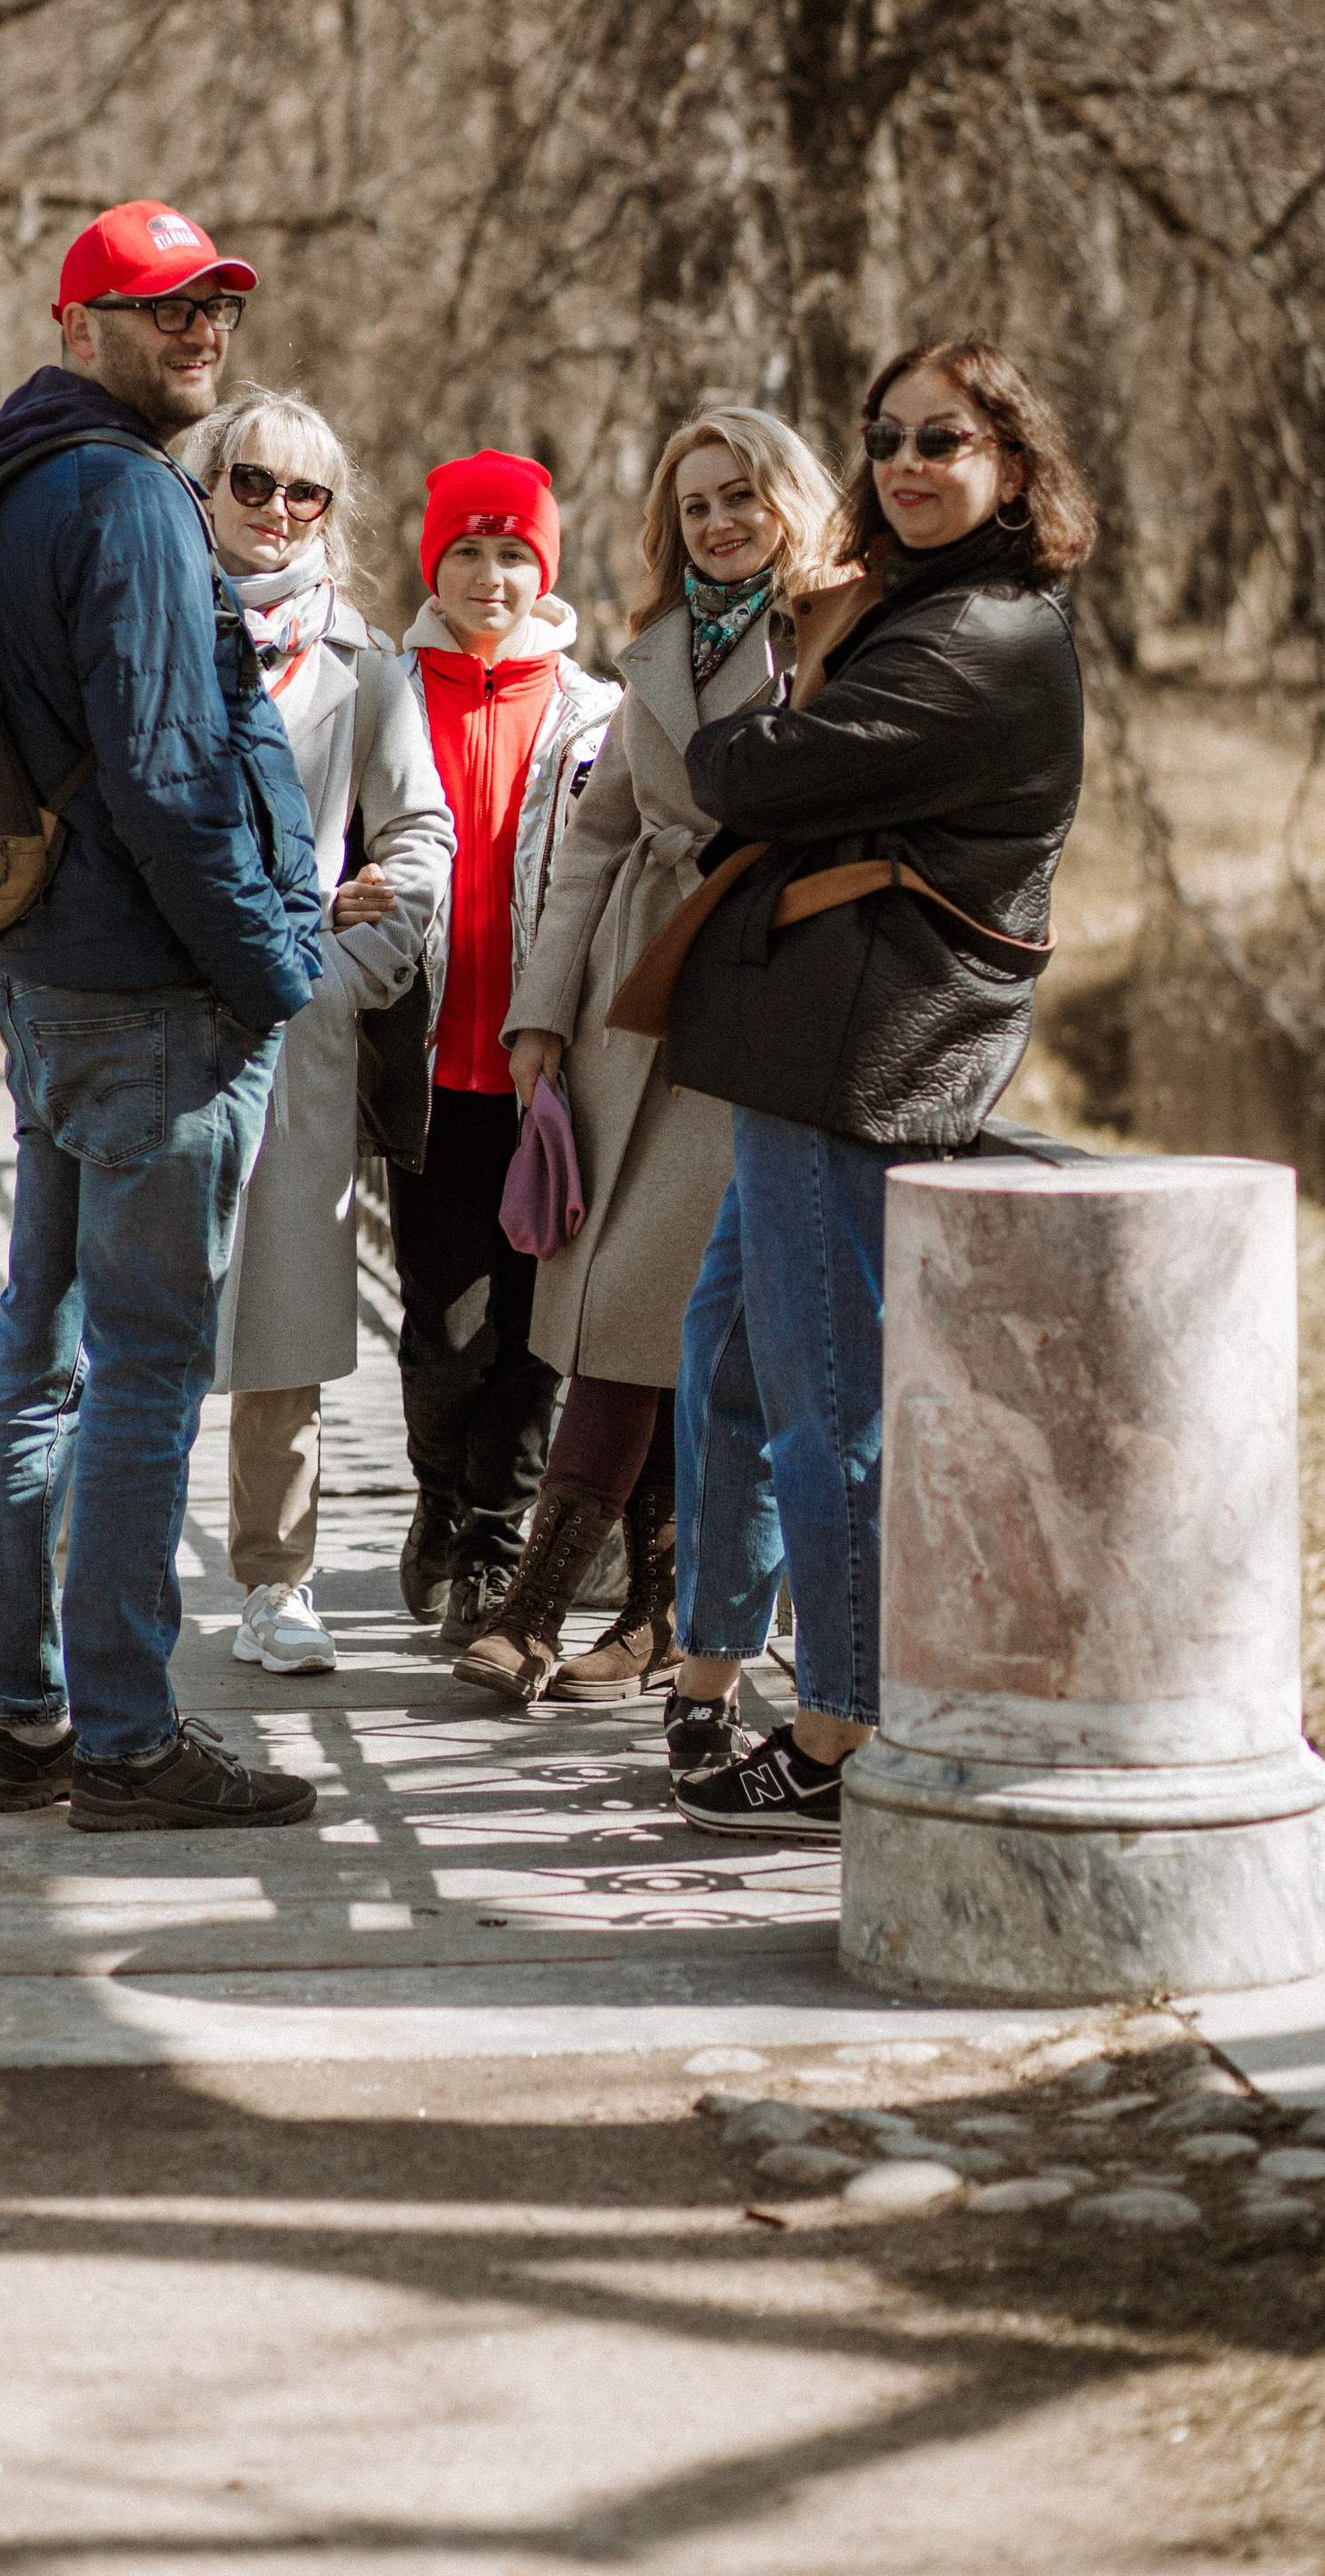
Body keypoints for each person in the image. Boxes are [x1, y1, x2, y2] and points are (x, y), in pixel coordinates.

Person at [658, 338, 1095, 1838]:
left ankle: (846, 1729)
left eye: (947, 441)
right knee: (730, 1356)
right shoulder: (923, 607)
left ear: (1013, 468)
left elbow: (748, 771)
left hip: (864, 1057)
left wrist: (772, 709)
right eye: (890, 437)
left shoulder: (983, 637)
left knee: (826, 1396)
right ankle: (711, 1662)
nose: (909, 461)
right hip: (812, 1045)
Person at [0, 200, 325, 1835]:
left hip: (48, 975)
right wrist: (277, 967)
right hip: (150, 998)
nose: (199, 332)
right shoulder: (120, 496)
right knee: (146, 1370)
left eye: (216, 310)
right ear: (77, 321)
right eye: (162, 307)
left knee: (37, 1356)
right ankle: (122, 1736)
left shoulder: (15, 480)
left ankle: (22, 1723)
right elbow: (176, 779)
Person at [456, 409, 842, 1707]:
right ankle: (661, 1613)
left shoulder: (831, 641)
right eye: (695, 507)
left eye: (742, 496)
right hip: (636, 998)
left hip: (754, 996)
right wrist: (541, 1016)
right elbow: (599, 839)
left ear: (791, 501)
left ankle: (534, 1607)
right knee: (658, 1311)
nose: (721, 523)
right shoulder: (664, 650)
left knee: (643, 1307)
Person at [181, 389, 455, 1675]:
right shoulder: (148, 622)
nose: (278, 511)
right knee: (134, 1300)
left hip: (295, 1021)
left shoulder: (365, 659)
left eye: (307, 493)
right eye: (253, 483)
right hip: (158, 1019)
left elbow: (419, 841)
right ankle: (101, 1566)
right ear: (207, 482)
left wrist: (345, 973)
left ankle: (276, 1579)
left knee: (285, 1307)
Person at [391, 452, 620, 1649]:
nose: (492, 577)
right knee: (448, 1326)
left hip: (549, 1074)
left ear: (547, 570)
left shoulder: (595, 713)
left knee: (537, 1330)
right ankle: (439, 1502)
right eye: (469, 553)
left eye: (514, 554)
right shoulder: (384, 692)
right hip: (427, 1069)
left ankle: (492, 1541)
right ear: (436, 561)